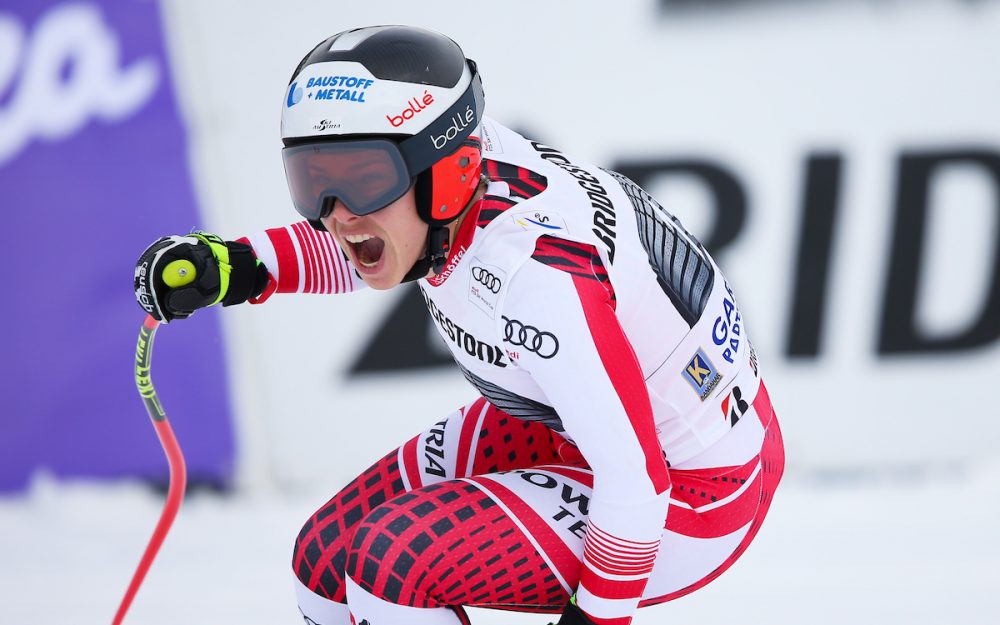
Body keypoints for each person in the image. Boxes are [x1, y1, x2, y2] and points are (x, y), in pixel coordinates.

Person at [134, 25, 784, 625]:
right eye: (313, 180)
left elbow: (637, 485)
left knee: (390, 566)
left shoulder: (538, 279)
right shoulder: (445, 186)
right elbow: (372, 236)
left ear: (448, 175)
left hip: (690, 494)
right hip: (568, 417)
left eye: (363, 177)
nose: (336, 213)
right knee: (324, 561)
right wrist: (236, 266)